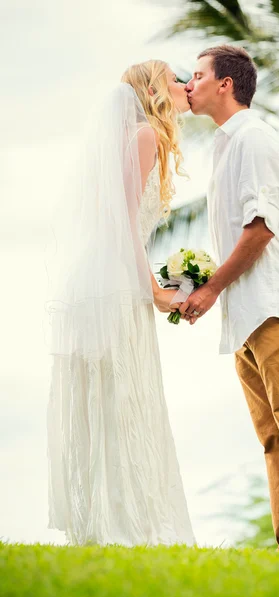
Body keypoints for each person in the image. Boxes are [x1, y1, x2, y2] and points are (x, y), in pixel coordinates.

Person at [180, 45, 279, 552]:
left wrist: (212, 286)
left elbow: (261, 229)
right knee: (271, 437)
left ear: (225, 84)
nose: (188, 83)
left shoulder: (255, 138)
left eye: (197, 75)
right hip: (244, 313)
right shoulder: (225, 146)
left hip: (273, 305)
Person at [45, 61, 195, 547]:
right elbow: (126, 223)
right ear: (153, 89)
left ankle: (115, 521)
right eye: (176, 78)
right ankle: (126, 525)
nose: (184, 84)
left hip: (105, 278)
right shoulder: (145, 137)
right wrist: (152, 289)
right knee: (123, 393)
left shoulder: (139, 139)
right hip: (117, 283)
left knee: (118, 396)